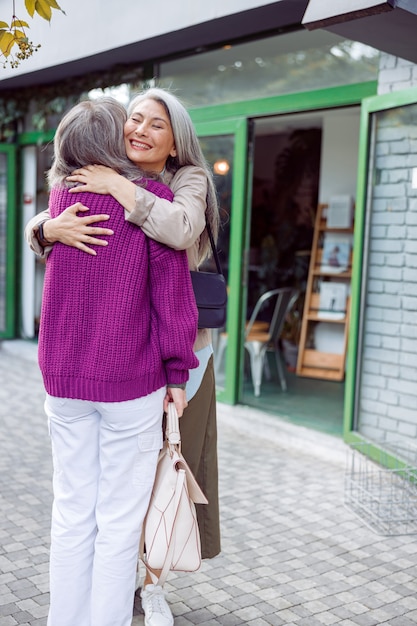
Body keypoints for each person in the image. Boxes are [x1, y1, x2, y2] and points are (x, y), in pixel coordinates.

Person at [25, 87, 221, 626]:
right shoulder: (145, 202)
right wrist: (177, 372)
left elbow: (183, 227)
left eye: (155, 124)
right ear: (116, 139)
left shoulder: (67, 197)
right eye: (133, 121)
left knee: (71, 512)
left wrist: (42, 223)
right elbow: (173, 301)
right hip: (130, 387)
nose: (140, 131)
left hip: (63, 383)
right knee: (116, 521)